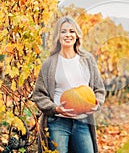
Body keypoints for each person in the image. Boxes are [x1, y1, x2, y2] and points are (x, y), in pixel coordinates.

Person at [32, 16, 106, 153]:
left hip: (83, 121)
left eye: (72, 31)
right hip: (58, 122)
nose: (68, 35)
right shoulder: (50, 63)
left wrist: (96, 103)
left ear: (77, 35)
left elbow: (99, 89)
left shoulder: (87, 60)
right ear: (58, 36)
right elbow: (39, 94)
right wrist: (55, 108)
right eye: (63, 31)